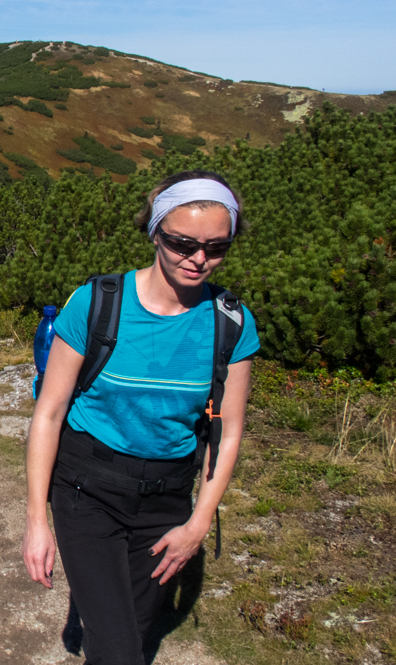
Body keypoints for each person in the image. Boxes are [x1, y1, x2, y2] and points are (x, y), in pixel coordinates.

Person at [22, 170, 260, 664]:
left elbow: (228, 430)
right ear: (155, 231)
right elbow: (49, 413)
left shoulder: (231, 322)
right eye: (182, 242)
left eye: (217, 248)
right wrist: (36, 521)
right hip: (87, 489)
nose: (199, 259)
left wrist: (198, 522)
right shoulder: (98, 304)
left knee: (133, 629)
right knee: (120, 651)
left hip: (167, 498)